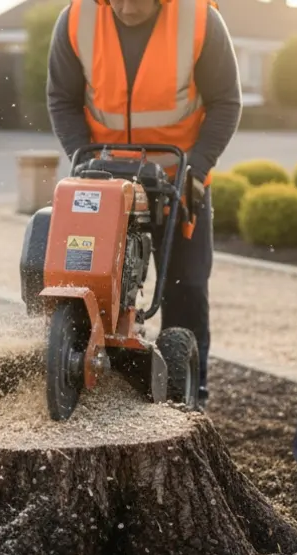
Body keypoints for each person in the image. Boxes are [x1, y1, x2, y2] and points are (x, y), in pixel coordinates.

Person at [46, 0, 242, 409]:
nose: (126, 6)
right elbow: (62, 100)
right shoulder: (77, 19)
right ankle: (91, 369)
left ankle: (190, 395)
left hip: (179, 180)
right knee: (90, 275)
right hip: (106, 180)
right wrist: (84, 159)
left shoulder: (200, 19)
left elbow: (226, 102)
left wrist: (198, 171)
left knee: (185, 286)